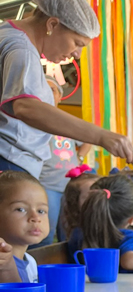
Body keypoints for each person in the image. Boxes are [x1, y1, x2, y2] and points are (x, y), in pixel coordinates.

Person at [0, 0, 133, 176]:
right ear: (52, 25)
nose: (76, 55)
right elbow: (26, 107)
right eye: (77, 43)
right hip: (9, 161)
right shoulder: (21, 50)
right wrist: (100, 136)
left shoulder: (8, 34)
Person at [32, 76, 92, 248]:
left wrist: (79, 158)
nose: (48, 93)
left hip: (70, 187)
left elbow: (87, 139)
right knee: (44, 234)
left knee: (70, 234)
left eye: (52, 89)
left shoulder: (67, 121)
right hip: (46, 186)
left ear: (60, 95)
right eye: (45, 88)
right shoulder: (34, 119)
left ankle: (68, 271)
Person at [0, 171, 49, 283]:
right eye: (21, 209)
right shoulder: (2, 263)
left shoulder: (30, 261)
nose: (35, 218)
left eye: (41, 211)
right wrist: (7, 269)